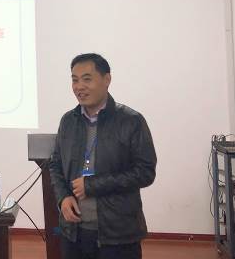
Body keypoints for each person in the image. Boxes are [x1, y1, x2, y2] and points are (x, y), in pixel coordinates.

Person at [49, 53, 157, 259]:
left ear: (107, 79)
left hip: (118, 233)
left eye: (87, 79)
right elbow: (55, 164)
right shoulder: (68, 121)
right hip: (74, 232)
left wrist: (92, 185)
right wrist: (63, 197)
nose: (79, 87)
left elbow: (145, 172)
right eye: (75, 80)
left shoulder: (131, 121)